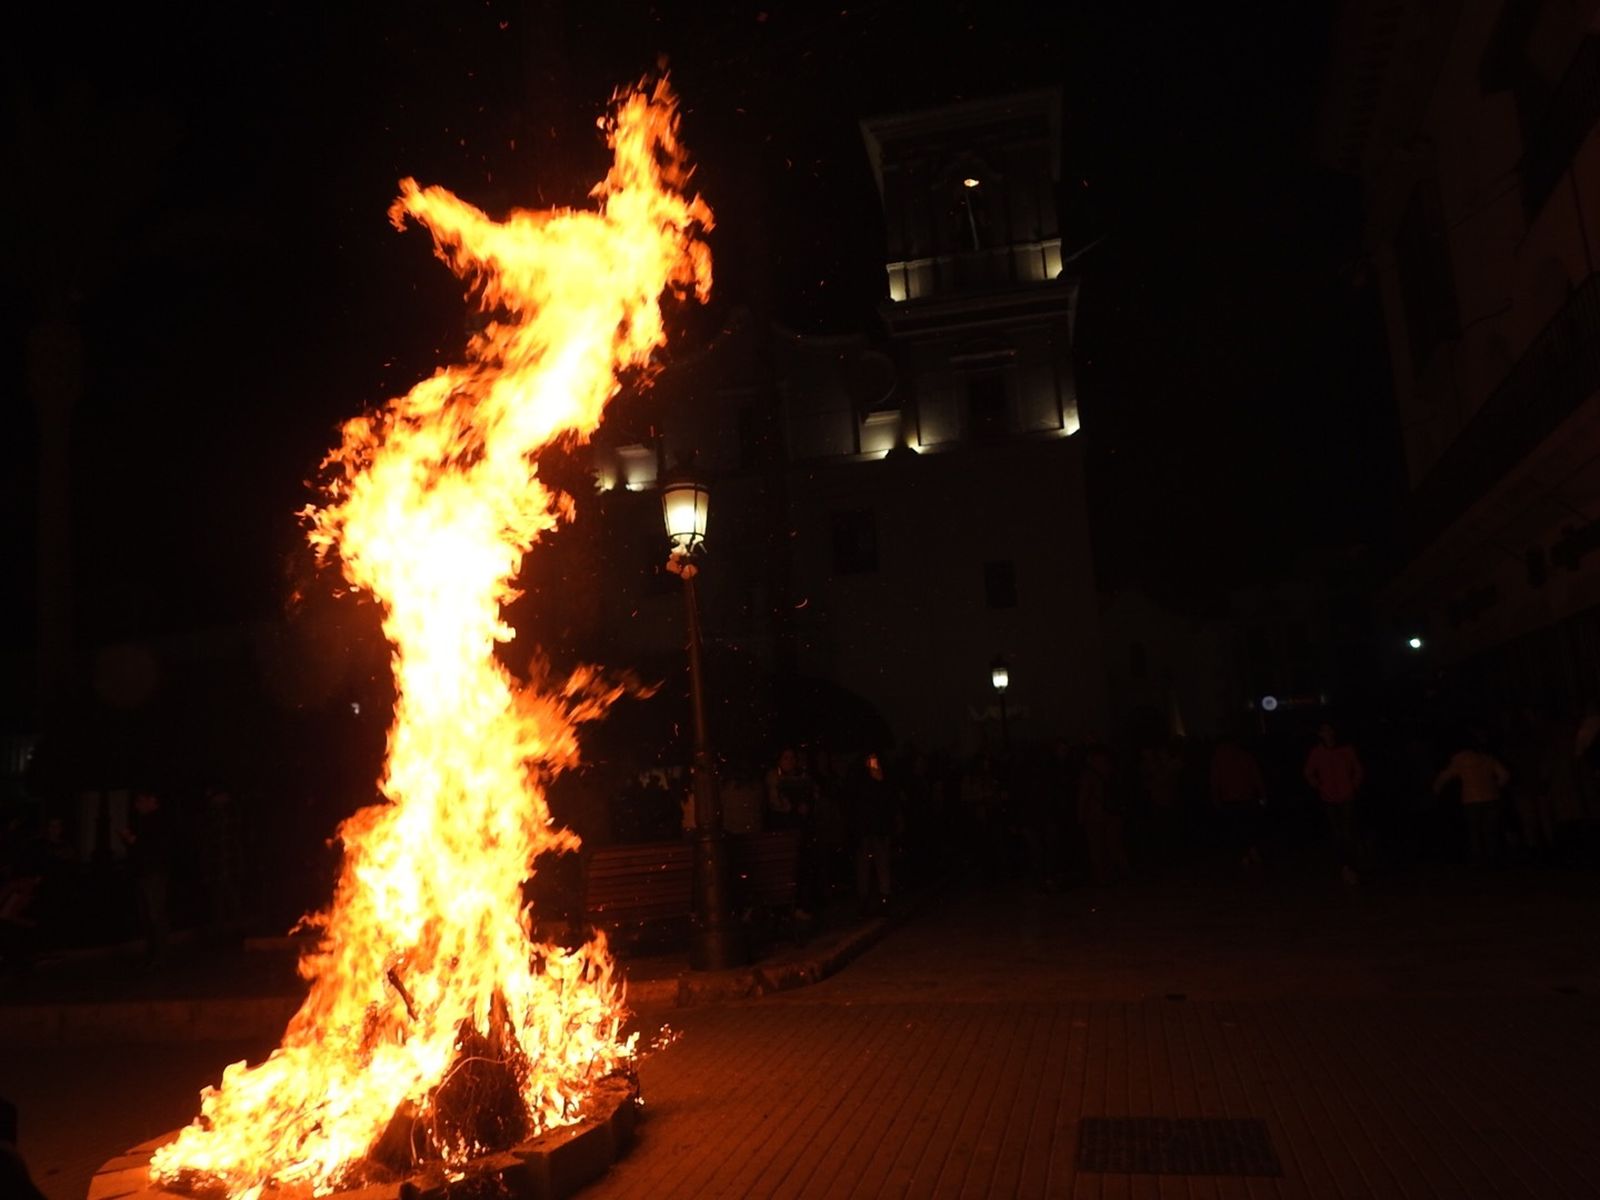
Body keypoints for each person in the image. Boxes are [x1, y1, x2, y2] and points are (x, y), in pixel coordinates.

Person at [1434, 735, 1510, 864]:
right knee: (1490, 830)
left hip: (1471, 799)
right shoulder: (1488, 758)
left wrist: (1436, 789)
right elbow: (1505, 775)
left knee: (1475, 831)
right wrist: (1494, 786)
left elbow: (1445, 775)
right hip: (1491, 798)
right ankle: (1492, 858)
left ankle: (1479, 859)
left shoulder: (1460, 758)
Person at [1304, 722, 1364, 884]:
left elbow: (1357, 768)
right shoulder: (1317, 752)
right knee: (1337, 833)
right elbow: (1308, 772)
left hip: (1347, 796)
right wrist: (1319, 786)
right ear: (1320, 734)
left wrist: (1353, 785)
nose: (1328, 733)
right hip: (1328, 798)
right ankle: (1344, 866)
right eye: (1324, 731)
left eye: (1330, 730)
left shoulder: (1346, 750)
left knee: (1348, 832)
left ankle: (1352, 866)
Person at [121, 788, 173, 961]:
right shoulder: (145, 821)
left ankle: (161, 952)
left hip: (154, 871)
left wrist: (133, 840)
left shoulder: (157, 821)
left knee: (155, 912)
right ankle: (155, 950)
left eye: (140, 801)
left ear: (151, 800)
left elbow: (153, 847)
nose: (138, 806)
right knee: (148, 913)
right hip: (145, 871)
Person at [850, 752, 901, 914]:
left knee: (882, 862)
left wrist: (881, 782)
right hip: (865, 829)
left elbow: (890, 800)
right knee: (864, 864)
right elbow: (856, 801)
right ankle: (864, 899)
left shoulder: (885, 777)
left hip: (880, 828)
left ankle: (884, 897)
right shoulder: (859, 778)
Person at [1209, 736, 1267, 866]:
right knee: (1248, 827)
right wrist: (1262, 795)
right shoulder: (1245, 756)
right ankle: (1250, 851)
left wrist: (1216, 798)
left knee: (1237, 829)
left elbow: (1214, 781)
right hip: (1247, 799)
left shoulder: (1219, 759)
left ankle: (1245, 854)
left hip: (1230, 801)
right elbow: (1256, 777)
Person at [1077, 746, 1128, 884]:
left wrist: (1080, 815)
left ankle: (1101, 877)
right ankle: (1118, 873)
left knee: (1096, 847)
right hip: (1112, 814)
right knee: (1112, 845)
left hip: (1095, 815)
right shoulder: (1111, 770)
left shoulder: (1089, 774)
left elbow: (1084, 796)